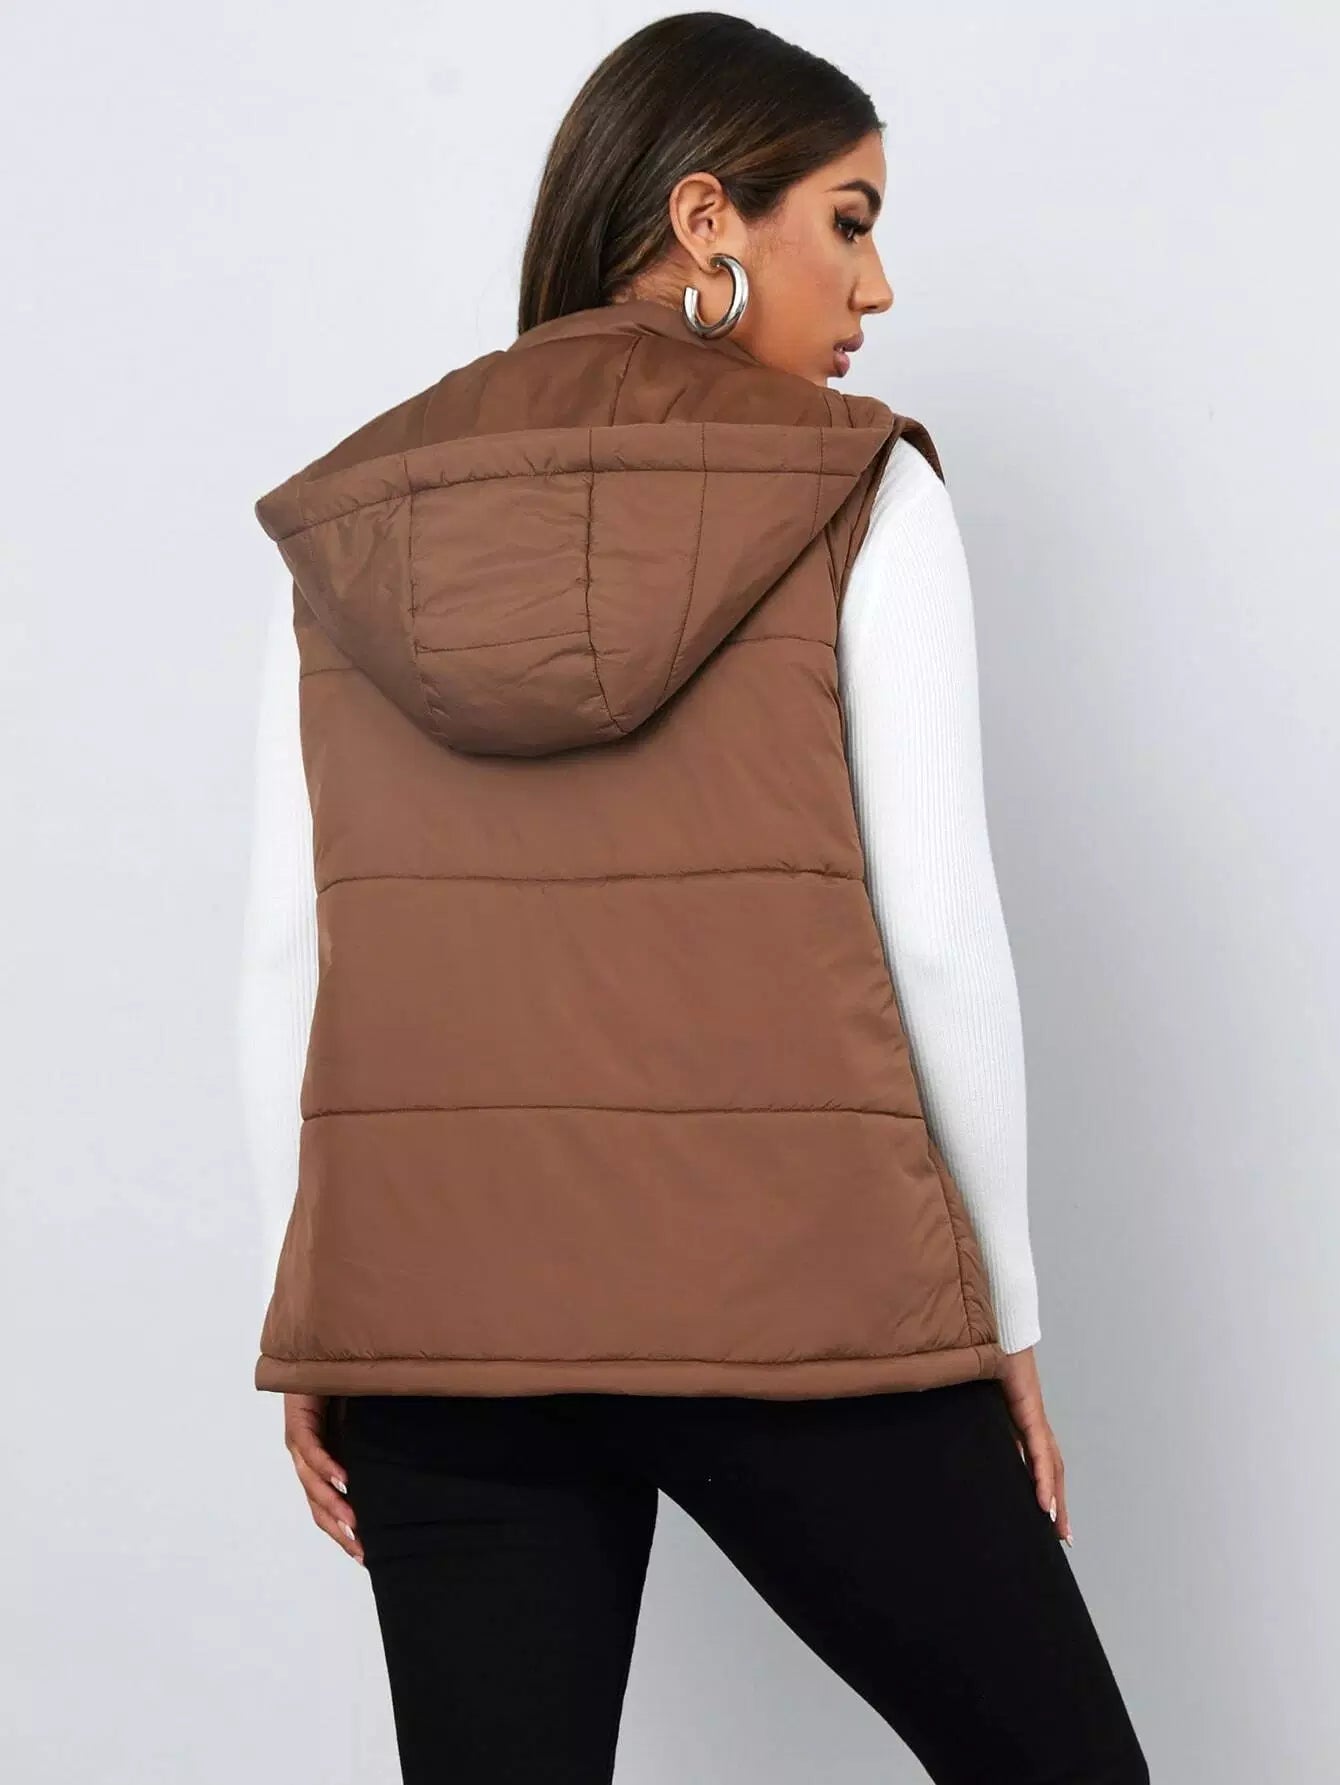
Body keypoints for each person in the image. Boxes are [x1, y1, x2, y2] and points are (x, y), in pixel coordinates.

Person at [238, 13, 1148, 1783]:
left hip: (441, 1327)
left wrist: (323, 1314)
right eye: (850, 220)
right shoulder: (859, 483)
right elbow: (940, 932)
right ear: (708, 217)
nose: (877, 287)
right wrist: (1005, 1319)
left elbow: (290, 947)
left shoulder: (354, 513)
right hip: (808, 1305)